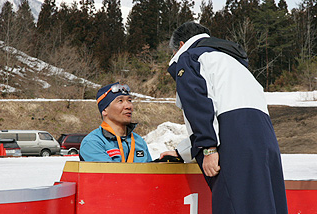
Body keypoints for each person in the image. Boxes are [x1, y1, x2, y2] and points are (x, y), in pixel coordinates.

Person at [161, 21, 288, 213]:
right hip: (265, 142)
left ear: (180, 45)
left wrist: (208, 149)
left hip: (233, 147)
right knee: (264, 204)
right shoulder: (236, 65)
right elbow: (229, 114)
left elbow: (199, 105)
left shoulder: (190, 57)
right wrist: (183, 152)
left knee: (233, 204)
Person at [80, 82, 152, 162]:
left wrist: (162, 162)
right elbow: (110, 173)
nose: (128, 106)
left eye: (129, 100)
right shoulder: (93, 142)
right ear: (104, 110)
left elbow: (149, 173)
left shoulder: (138, 141)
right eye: (120, 101)